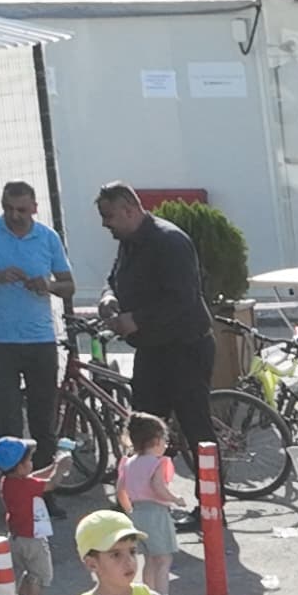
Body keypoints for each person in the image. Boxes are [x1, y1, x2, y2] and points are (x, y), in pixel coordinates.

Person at [93, 182, 213, 442]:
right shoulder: (127, 242)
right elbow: (113, 277)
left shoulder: (169, 241)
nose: (104, 224)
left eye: (108, 216)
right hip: (151, 350)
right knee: (144, 432)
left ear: (129, 210)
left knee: (196, 430)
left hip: (185, 349)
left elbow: (182, 298)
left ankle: (212, 483)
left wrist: (136, 319)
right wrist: (108, 297)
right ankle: (150, 481)